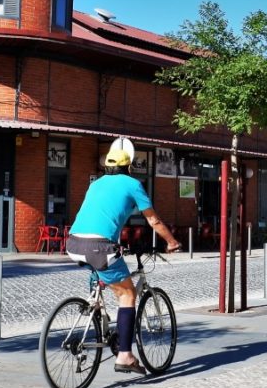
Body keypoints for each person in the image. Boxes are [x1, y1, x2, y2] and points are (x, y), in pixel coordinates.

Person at [66, 138, 181, 375]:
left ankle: (98, 312)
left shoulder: (95, 184)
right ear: (129, 167)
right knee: (128, 293)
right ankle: (126, 355)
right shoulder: (132, 184)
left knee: (105, 274)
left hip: (74, 242)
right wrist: (171, 242)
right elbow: (153, 220)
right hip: (100, 247)